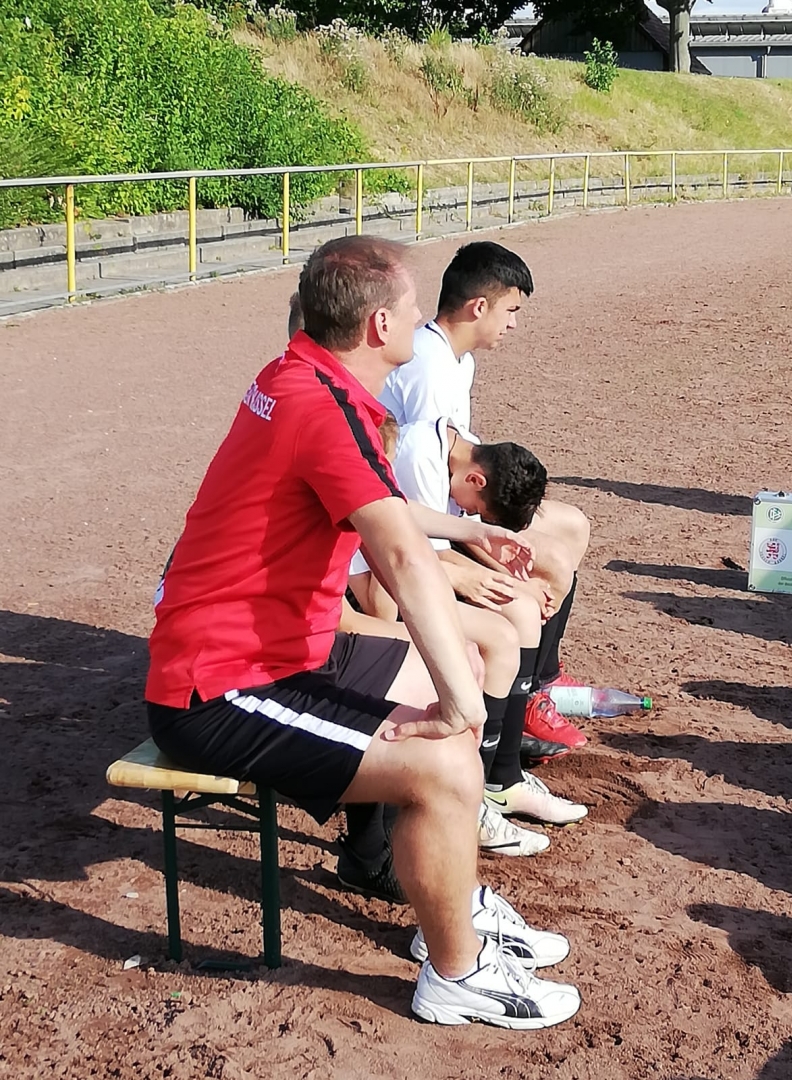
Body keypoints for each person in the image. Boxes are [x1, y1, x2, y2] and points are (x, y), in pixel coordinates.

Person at [145, 236, 581, 1029]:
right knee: (444, 757)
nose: (422, 322)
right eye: (412, 310)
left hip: (286, 647)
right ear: (379, 325)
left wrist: (471, 532)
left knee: (446, 682)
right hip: (221, 684)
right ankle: (456, 974)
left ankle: (443, 898)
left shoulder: (306, 378)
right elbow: (403, 562)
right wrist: (463, 702)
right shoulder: (324, 406)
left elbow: (379, 506)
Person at [380, 241, 591, 750]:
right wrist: (491, 559)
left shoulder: (458, 360)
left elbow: (463, 457)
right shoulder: (428, 369)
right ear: (479, 307)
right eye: (511, 310)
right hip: (428, 512)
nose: (513, 323)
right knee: (550, 565)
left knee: (572, 526)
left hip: (453, 498)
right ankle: (525, 695)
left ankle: (540, 677)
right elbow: (431, 485)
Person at [350, 415, 588, 843]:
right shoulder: (408, 461)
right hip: (375, 600)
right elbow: (386, 587)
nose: (467, 510)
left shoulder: (430, 456)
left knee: (510, 625)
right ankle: (471, 797)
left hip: (400, 575)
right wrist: (466, 577)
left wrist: (480, 540)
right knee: (495, 638)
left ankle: (498, 780)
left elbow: (405, 522)